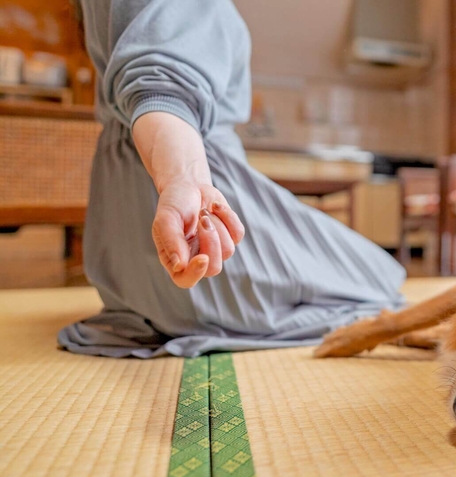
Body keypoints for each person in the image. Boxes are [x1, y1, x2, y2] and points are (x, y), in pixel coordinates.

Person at [59, 0, 405, 358]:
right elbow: (162, 90)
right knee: (379, 281)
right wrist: (183, 181)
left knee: (378, 271)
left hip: (121, 244)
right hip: (174, 215)